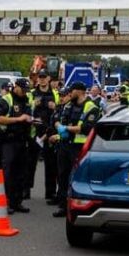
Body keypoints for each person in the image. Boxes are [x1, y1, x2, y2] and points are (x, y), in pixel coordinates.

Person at [51, 82, 101, 217]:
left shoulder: (91, 107)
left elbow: (86, 128)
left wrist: (66, 128)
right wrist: (59, 128)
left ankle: (76, 207)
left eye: (71, 91)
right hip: (64, 145)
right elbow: (57, 119)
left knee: (77, 178)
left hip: (80, 148)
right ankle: (63, 206)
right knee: (62, 176)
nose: (69, 93)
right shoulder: (68, 105)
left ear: (79, 91)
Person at [0, 78, 33, 214]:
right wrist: (18, 119)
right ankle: (5, 202)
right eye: (23, 90)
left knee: (20, 173)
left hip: (22, 140)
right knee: (7, 172)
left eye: (27, 90)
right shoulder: (6, 100)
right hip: (8, 141)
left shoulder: (26, 100)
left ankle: (17, 202)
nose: (25, 92)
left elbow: (28, 116)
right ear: (16, 87)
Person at [27, 69, 59, 200]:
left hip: (49, 133)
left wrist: (55, 106)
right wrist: (33, 104)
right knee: (29, 164)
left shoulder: (55, 93)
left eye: (44, 77)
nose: (42, 79)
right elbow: (27, 109)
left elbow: (61, 109)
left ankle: (50, 193)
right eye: (40, 77)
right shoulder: (32, 93)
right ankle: (26, 191)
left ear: (49, 78)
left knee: (51, 165)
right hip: (35, 132)